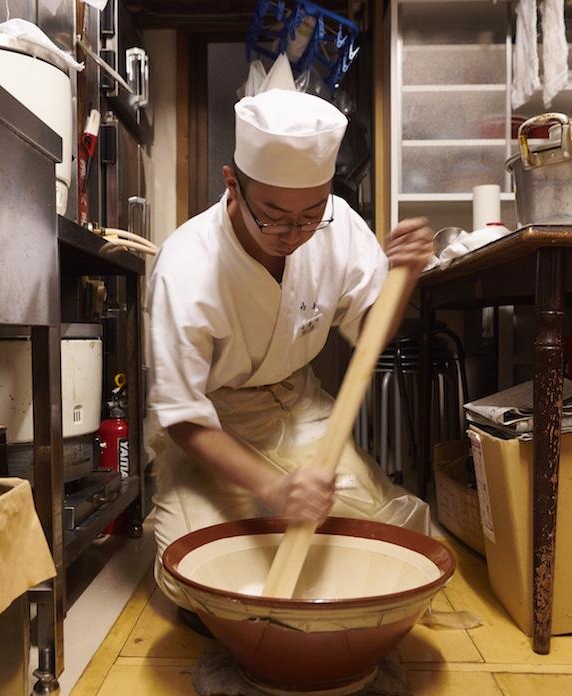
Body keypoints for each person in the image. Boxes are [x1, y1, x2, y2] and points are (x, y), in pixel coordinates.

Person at [146, 79, 434, 614]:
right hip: (214, 425)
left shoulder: (336, 224)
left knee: (376, 539)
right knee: (198, 576)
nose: (293, 233)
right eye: (273, 215)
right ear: (232, 184)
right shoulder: (184, 268)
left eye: (309, 214)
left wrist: (404, 276)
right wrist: (273, 490)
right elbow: (182, 417)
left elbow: (370, 333)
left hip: (299, 408)